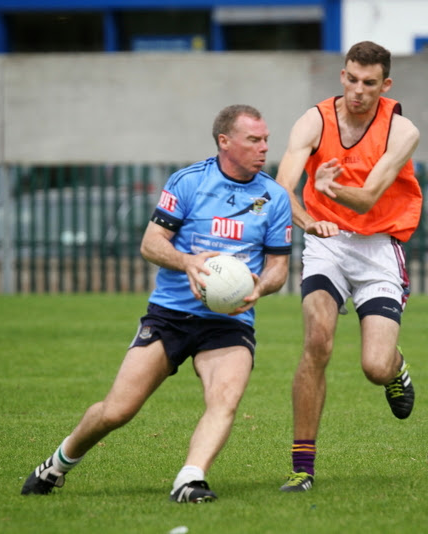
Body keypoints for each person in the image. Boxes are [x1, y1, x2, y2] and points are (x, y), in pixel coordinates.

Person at [20, 104, 293, 503]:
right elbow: (151, 244)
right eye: (254, 139)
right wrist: (187, 263)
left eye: (266, 138)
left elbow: (279, 268)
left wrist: (258, 290)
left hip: (228, 322)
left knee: (224, 400)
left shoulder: (274, 196)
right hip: (170, 316)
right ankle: (58, 464)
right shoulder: (188, 183)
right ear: (224, 142)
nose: (264, 147)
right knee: (117, 410)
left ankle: (190, 479)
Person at [275, 41, 422, 492]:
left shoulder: (402, 130)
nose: (359, 91)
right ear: (342, 75)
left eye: (370, 83)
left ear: (386, 84)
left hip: (379, 245)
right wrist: (309, 220)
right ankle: (303, 468)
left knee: (374, 367)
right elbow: (283, 188)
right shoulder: (314, 120)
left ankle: (395, 368)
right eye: (352, 80)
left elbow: (367, 197)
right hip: (328, 242)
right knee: (317, 342)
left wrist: (328, 189)